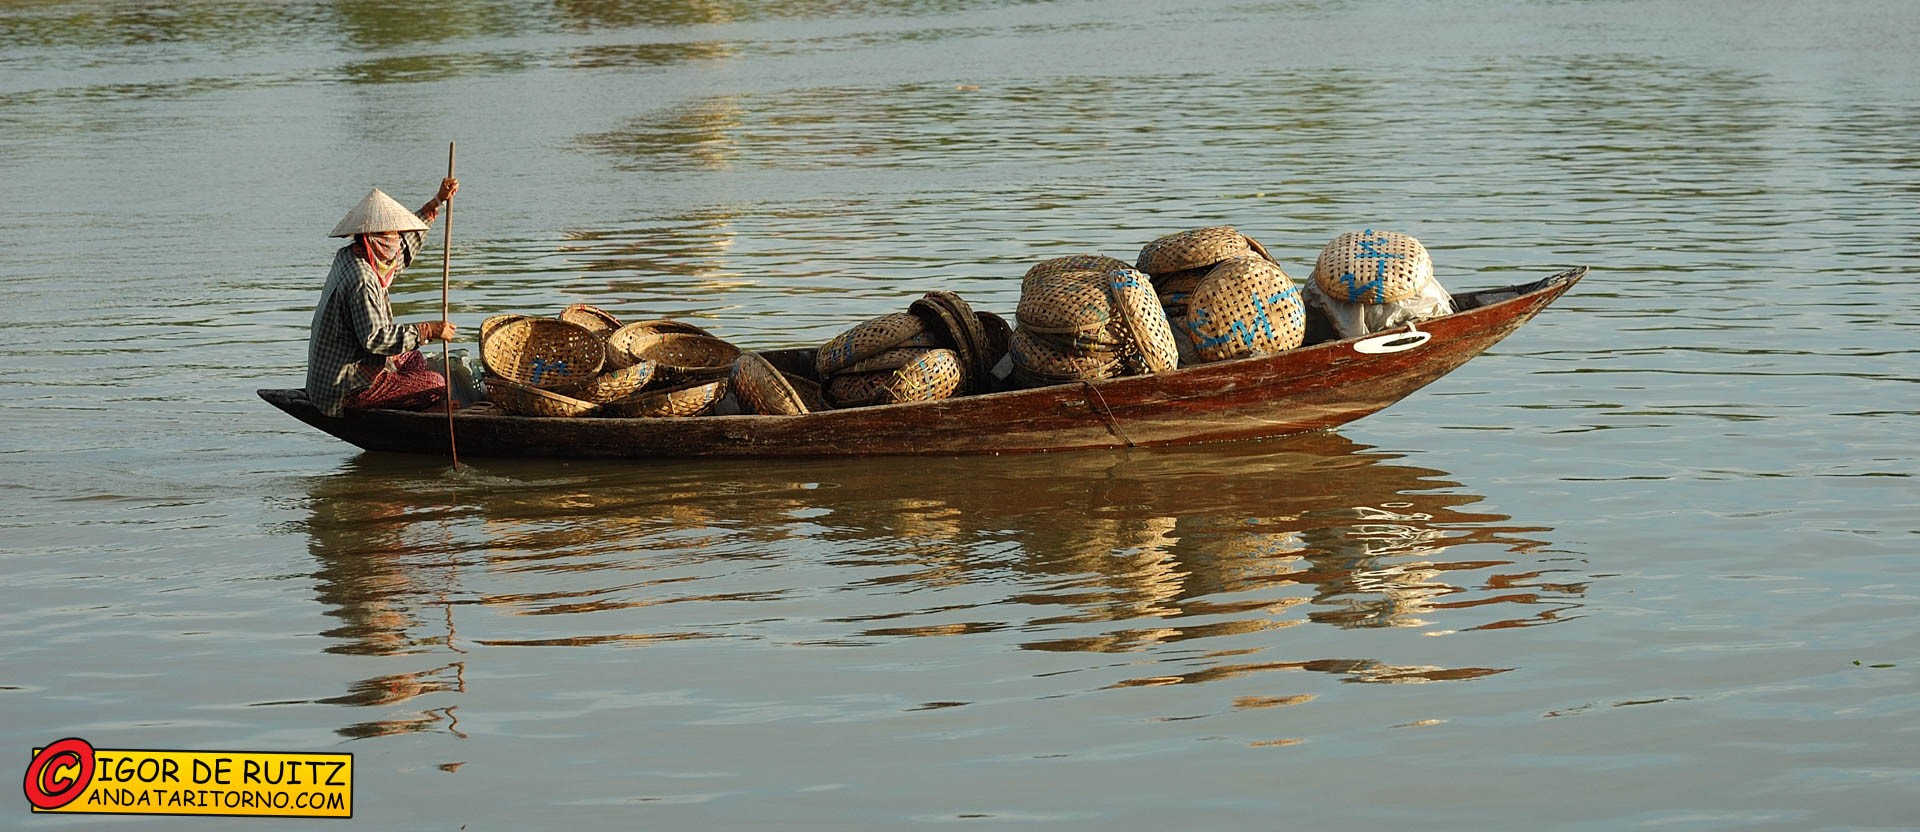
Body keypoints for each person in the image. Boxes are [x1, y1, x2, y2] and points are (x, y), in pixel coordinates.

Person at [305, 178, 460, 417]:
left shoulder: (355, 255)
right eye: (393, 235)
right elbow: (376, 339)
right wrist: (429, 330)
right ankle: (422, 407)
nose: (398, 240)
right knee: (435, 383)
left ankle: (401, 393)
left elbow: (403, 250)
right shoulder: (362, 279)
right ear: (373, 239)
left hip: (351, 366)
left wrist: (435, 203)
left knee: (414, 360)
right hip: (344, 388)